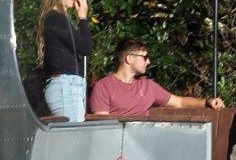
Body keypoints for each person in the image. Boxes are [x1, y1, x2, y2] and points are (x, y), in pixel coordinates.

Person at [88, 38, 225, 117]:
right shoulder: (103, 87)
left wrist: (207, 102)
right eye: (144, 57)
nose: (148, 62)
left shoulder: (148, 86)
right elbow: (102, 128)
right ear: (129, 58)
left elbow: (179, 102)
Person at [38, 0, 92, 122]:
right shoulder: (55, 18)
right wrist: (83, 18)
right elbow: (85, 47)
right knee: (74, 134)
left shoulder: (56, 18)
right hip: (65, 86)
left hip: (68, 85)